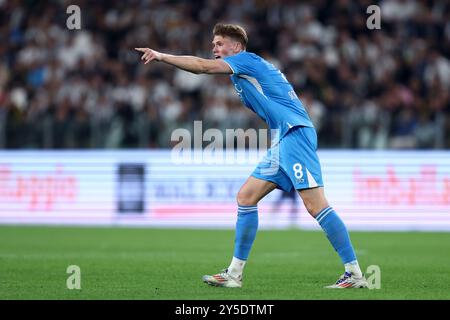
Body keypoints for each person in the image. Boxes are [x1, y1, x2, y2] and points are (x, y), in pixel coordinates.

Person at [135, 23, 368, 289]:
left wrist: (162, 56)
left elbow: (202, 67)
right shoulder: (242, 73)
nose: (214, 48)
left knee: (316, 205)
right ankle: (234, 273)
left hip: (295, 134)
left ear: (236, 47)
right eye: (213, 44)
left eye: (219, 43)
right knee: (246, 197)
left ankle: (355, 274)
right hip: (283, 140)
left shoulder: (246, 61)